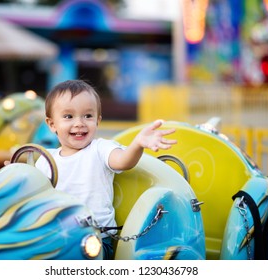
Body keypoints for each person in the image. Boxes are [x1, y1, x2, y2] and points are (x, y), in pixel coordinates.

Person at [35, 79, 177, 259]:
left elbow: (124, 161)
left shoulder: (100, 149)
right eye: (69, 116)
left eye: (87, 116)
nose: (79, 123)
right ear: (52, 124)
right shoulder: (46, 159)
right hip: (57, 237)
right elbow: (33, 193)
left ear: (98, 120)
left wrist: (138, 144)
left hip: (96, 239)